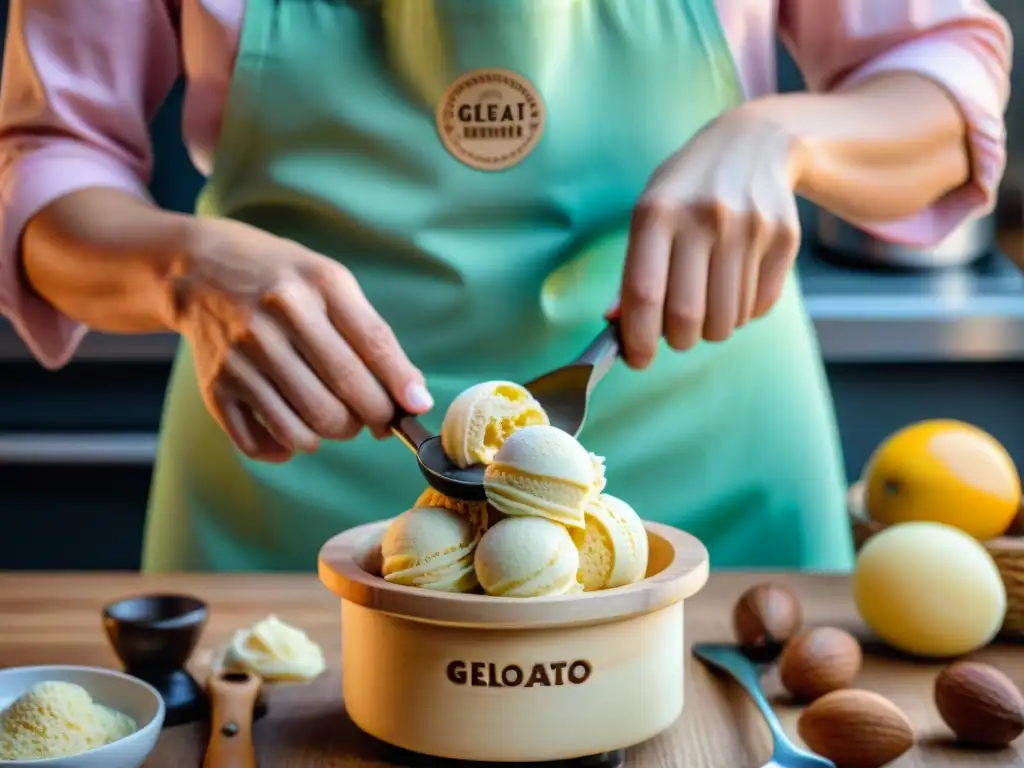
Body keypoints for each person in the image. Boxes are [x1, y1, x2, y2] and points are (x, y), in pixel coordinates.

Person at [0, 0, 1010, 573]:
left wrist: (786, 137)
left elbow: (939, 75)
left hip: (706, 456)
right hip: (293, 481)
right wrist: (183, 269)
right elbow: (47, 163)